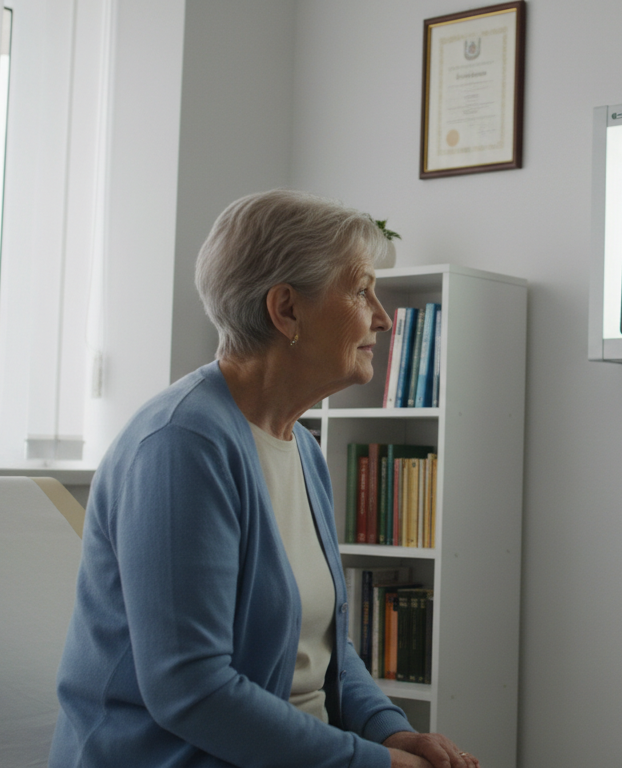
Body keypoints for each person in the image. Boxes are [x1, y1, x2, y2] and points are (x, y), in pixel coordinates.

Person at [50, 191, 479, 768]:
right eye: (359, 291)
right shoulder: (181, 447)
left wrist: (390, 731)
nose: (381, 316)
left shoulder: (300, 444)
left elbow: (323, 646)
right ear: (286, 311)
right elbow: (192, 691)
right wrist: (374, 764)